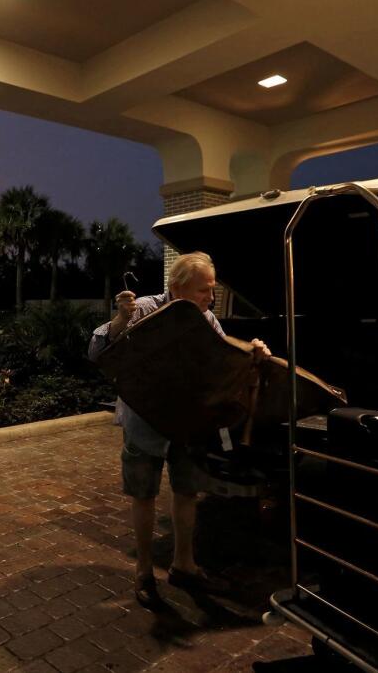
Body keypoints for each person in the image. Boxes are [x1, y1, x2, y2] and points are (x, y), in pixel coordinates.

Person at [88, 251, 269, 609]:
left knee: (187, 492)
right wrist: (119, 322)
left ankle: (184, 564)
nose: (211, 298)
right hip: (145, 422)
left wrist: (253, 350)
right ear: (177, 287)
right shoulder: (142, 308)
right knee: (144, 494)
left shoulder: (207, 319)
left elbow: (225, 353)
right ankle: (143, 571)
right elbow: (97, 351)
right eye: (204, 290)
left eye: (212, 290)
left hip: (188, 422)